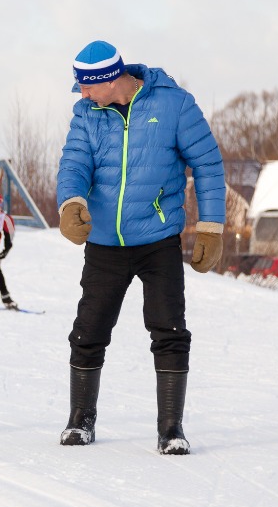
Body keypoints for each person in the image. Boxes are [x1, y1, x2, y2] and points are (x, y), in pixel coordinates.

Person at [55, 40, 226, 455]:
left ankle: (171, 428)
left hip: (158, 240)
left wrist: (211, 226)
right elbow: (74, 164)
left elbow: (207, 163)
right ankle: (80, 420)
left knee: (169, 331)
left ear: (109, 80)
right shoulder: (87, 115)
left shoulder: (175, 105)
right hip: (105, 244)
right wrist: (71, 201)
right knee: (88, 331)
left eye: (85, 86)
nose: (81, 93)